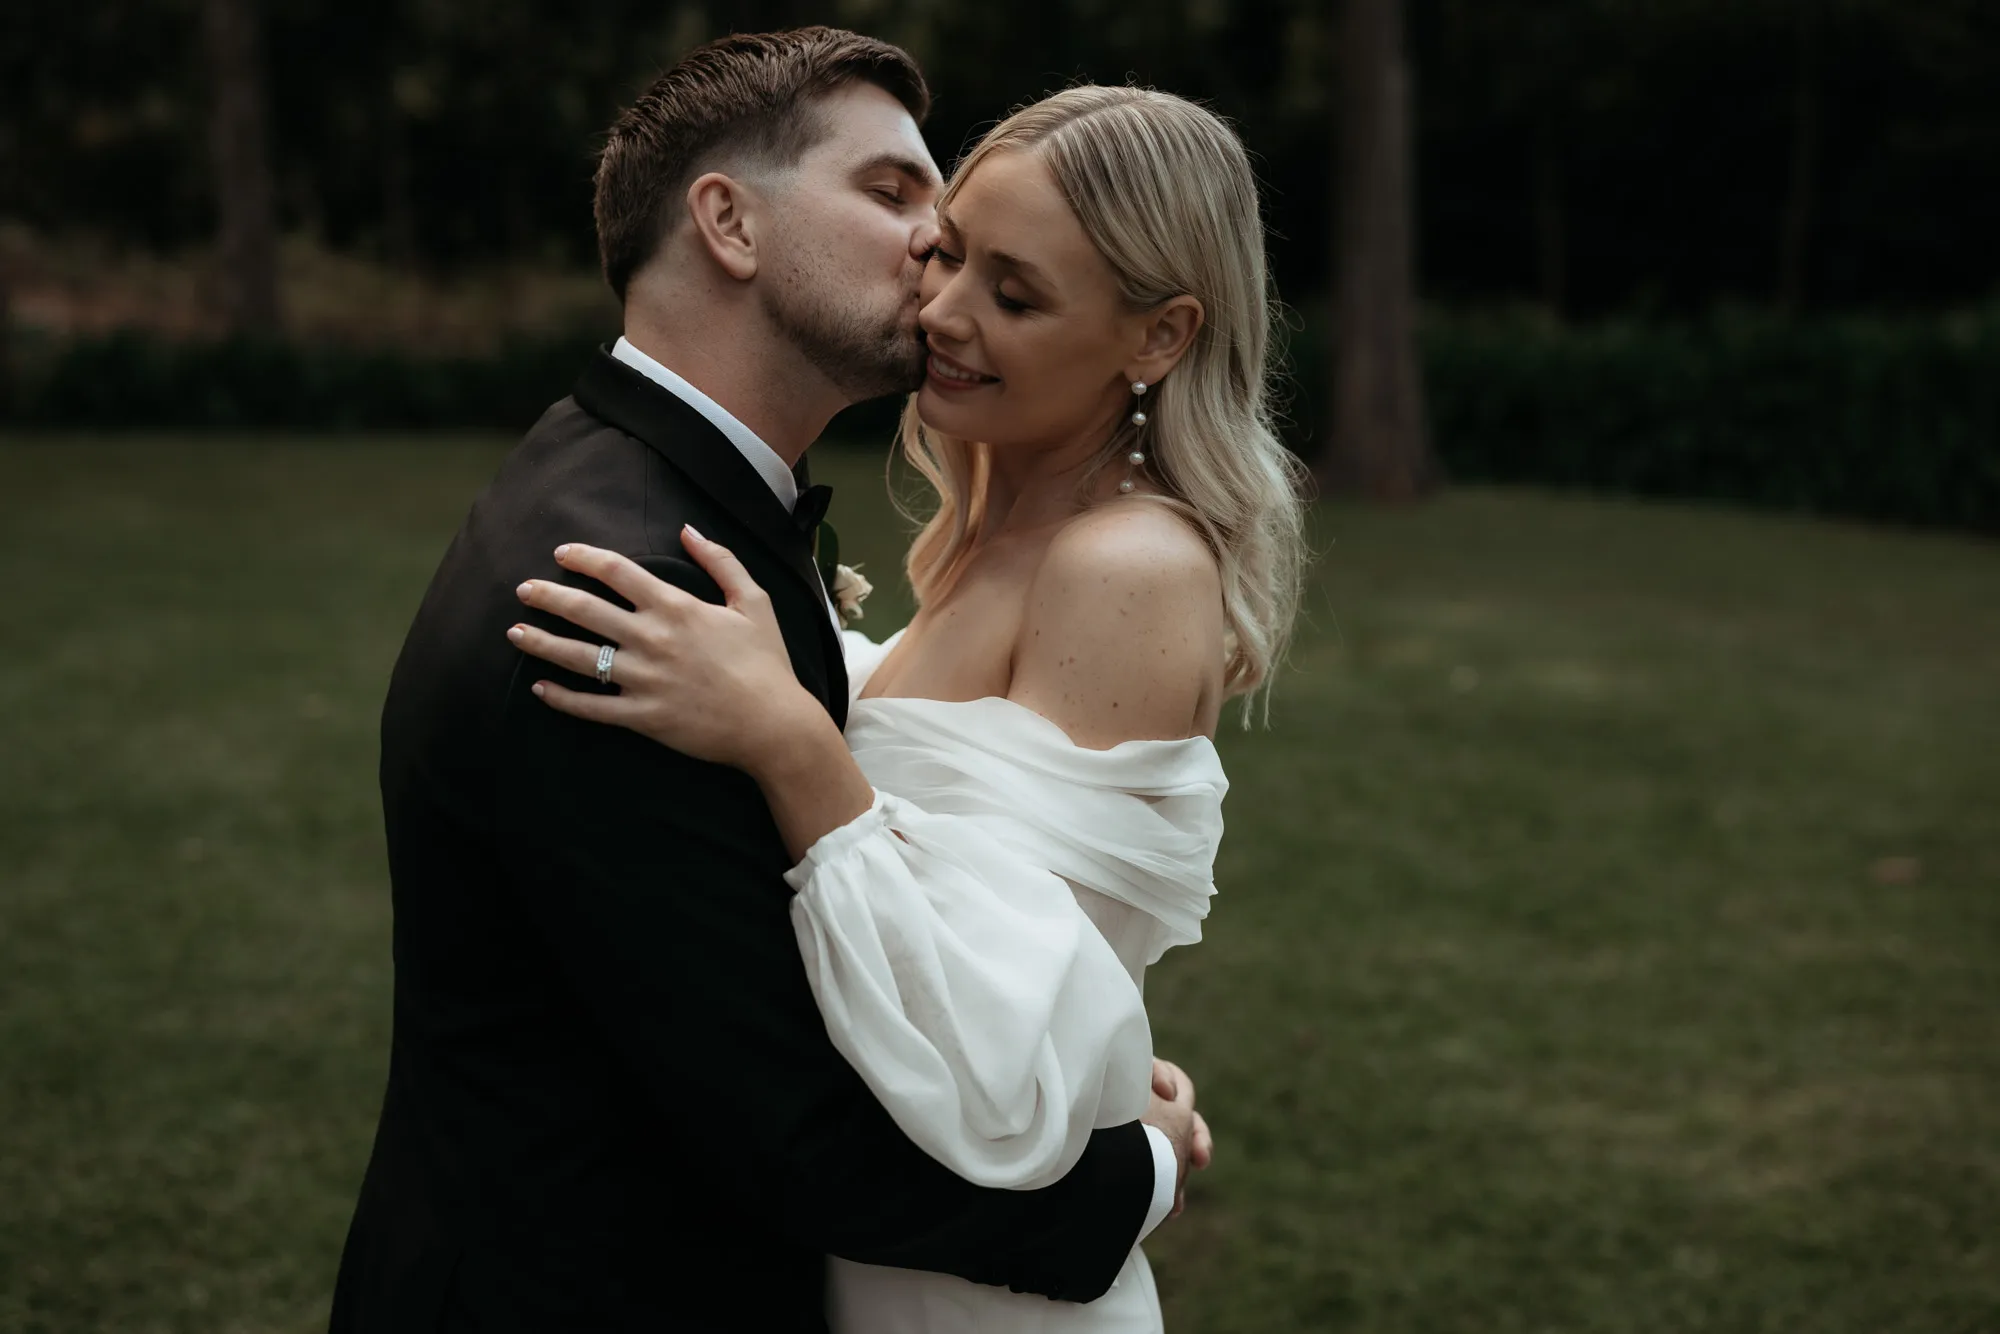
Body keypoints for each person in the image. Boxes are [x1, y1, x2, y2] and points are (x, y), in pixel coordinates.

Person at [330, 32, 1209, 1334]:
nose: (936, 245)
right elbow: (794, 1129)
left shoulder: (664, 497)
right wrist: (1133, 1162)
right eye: (894, 194)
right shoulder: (631, 597)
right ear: (729, 222)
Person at [505, 82, 1308, 1332]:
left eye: (1016, 293)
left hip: (976, 1288)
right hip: (866, 1244)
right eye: (949, 256)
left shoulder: (1127, 565)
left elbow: (1004, 1045)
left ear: (1158, 337)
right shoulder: (995, 532)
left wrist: (787, 735)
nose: (941, 311)